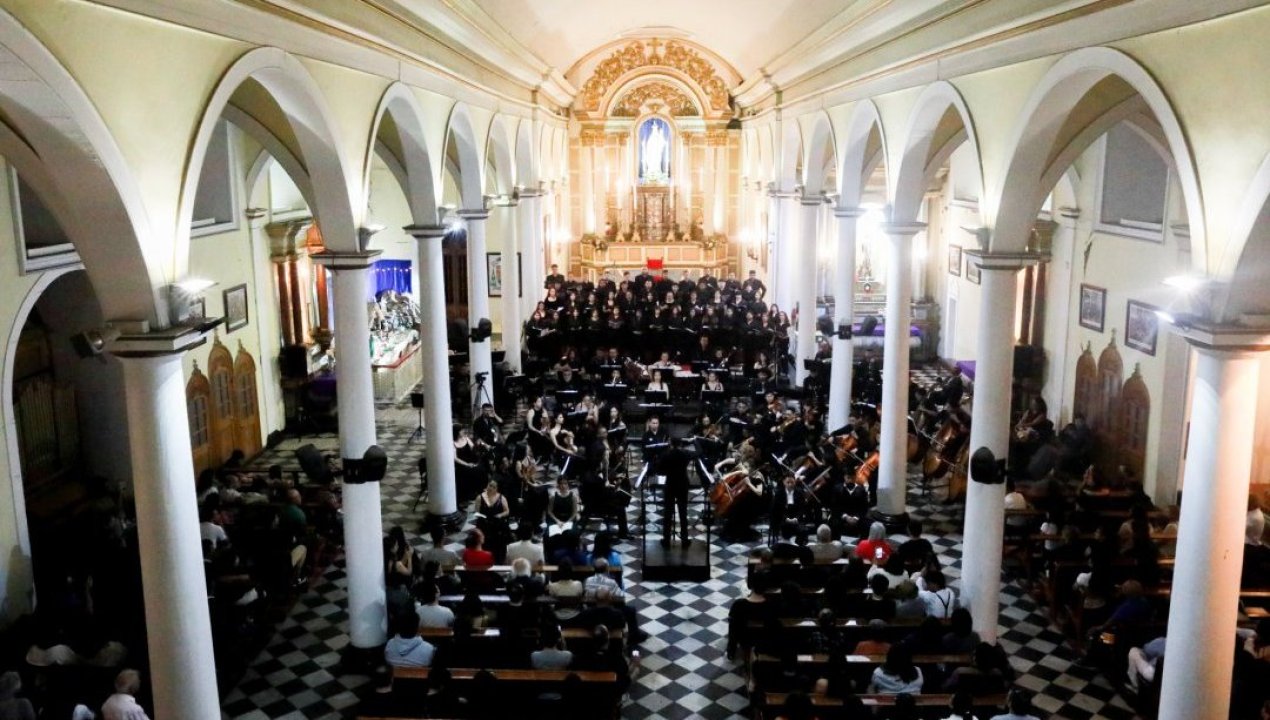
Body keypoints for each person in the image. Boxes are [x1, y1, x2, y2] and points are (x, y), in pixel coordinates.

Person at [658, 436, 695, 548]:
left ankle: (666, 539)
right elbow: (698, 452)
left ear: (671, 444)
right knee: (683, 512)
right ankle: (684, 539)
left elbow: (660, 470)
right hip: (682, 485)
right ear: (680, 444)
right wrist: (696, 441)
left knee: (668, 513)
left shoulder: (666, 455)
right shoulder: (685, 454)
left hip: (670, 485)